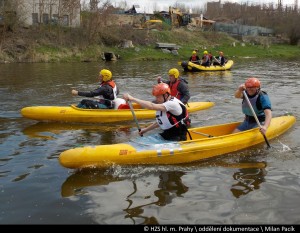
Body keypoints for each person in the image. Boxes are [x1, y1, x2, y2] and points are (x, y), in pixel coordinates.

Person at [123, 83, 190, 141]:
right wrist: (145, 130)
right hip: (167, 135)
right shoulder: (164, 103)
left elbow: (151, 106)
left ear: (166, 95)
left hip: (178, 138)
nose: (156, 99)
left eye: (158, 97)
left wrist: (132, 98)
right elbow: (160, 122)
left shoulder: (172, 104)